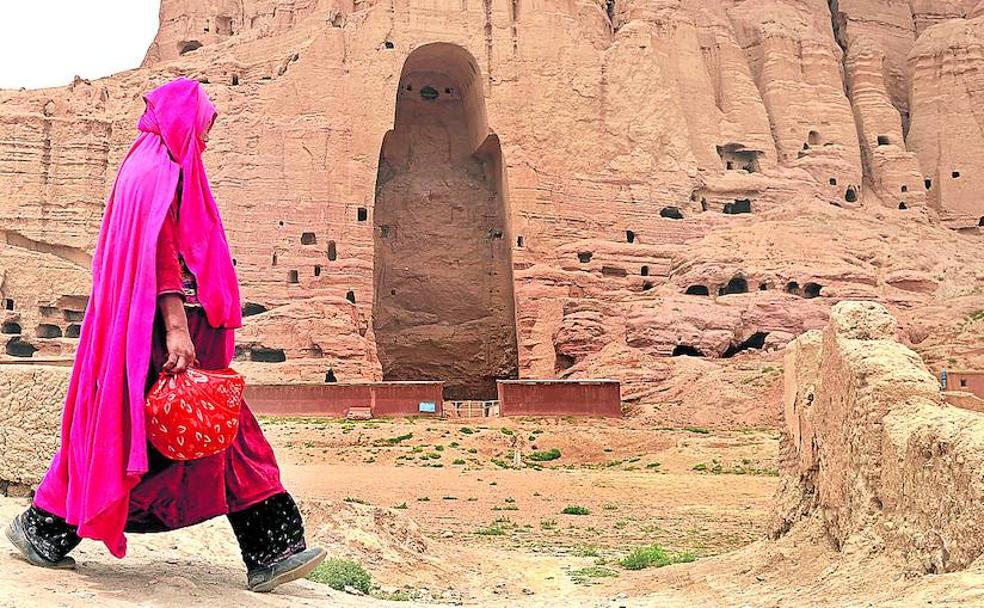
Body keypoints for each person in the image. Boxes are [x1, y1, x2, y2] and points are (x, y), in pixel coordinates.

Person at [3, 78, 325, 592]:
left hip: (146, 332)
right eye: (205, 125)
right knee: (221, 429)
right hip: (160, 337)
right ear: (183, 120)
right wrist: (177, 329)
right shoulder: (162, 171)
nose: (208, 137)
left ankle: (47, 526)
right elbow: (160, 255)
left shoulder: (145, 165)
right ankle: (271, 547)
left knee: (135, 430)